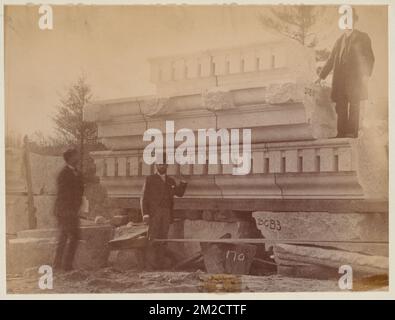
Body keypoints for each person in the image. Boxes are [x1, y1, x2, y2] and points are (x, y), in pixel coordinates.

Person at [316, 9, 374, 138]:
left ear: (355, 21)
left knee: (354, 105)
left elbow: (369, 58)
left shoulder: (363, 37)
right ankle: (341, 133)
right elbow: (331, 60)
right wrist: (321, 77)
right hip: (340, 80)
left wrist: (366, 75)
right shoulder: (339, 40)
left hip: (355, 79)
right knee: (341, 106)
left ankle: (351, 133)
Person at [140, 154, 188, 270]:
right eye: (160, 164)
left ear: (167, 166)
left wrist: (183, 181)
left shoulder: (170, 181)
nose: (162, 166)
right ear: (156, 165)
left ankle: (160, 265)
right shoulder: (150, 179)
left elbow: (179, 193)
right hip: (154, 213)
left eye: (164, 164)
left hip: (166, 213)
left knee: (163, 239)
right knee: (153, 239)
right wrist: (145, 214)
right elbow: (143, 198)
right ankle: (150, 266)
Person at [53, 148, 84, 271]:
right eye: (76, 156)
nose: (78, 158)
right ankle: (58, 265)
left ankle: (66, 265)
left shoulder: (78, 173)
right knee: (64, 237)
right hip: (64, 210)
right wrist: (70, 209)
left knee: (73, 237)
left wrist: (77, 207)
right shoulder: (63, 174)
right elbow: (64, 195)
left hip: (73, 211)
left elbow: (80, 191)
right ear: (70, 158)